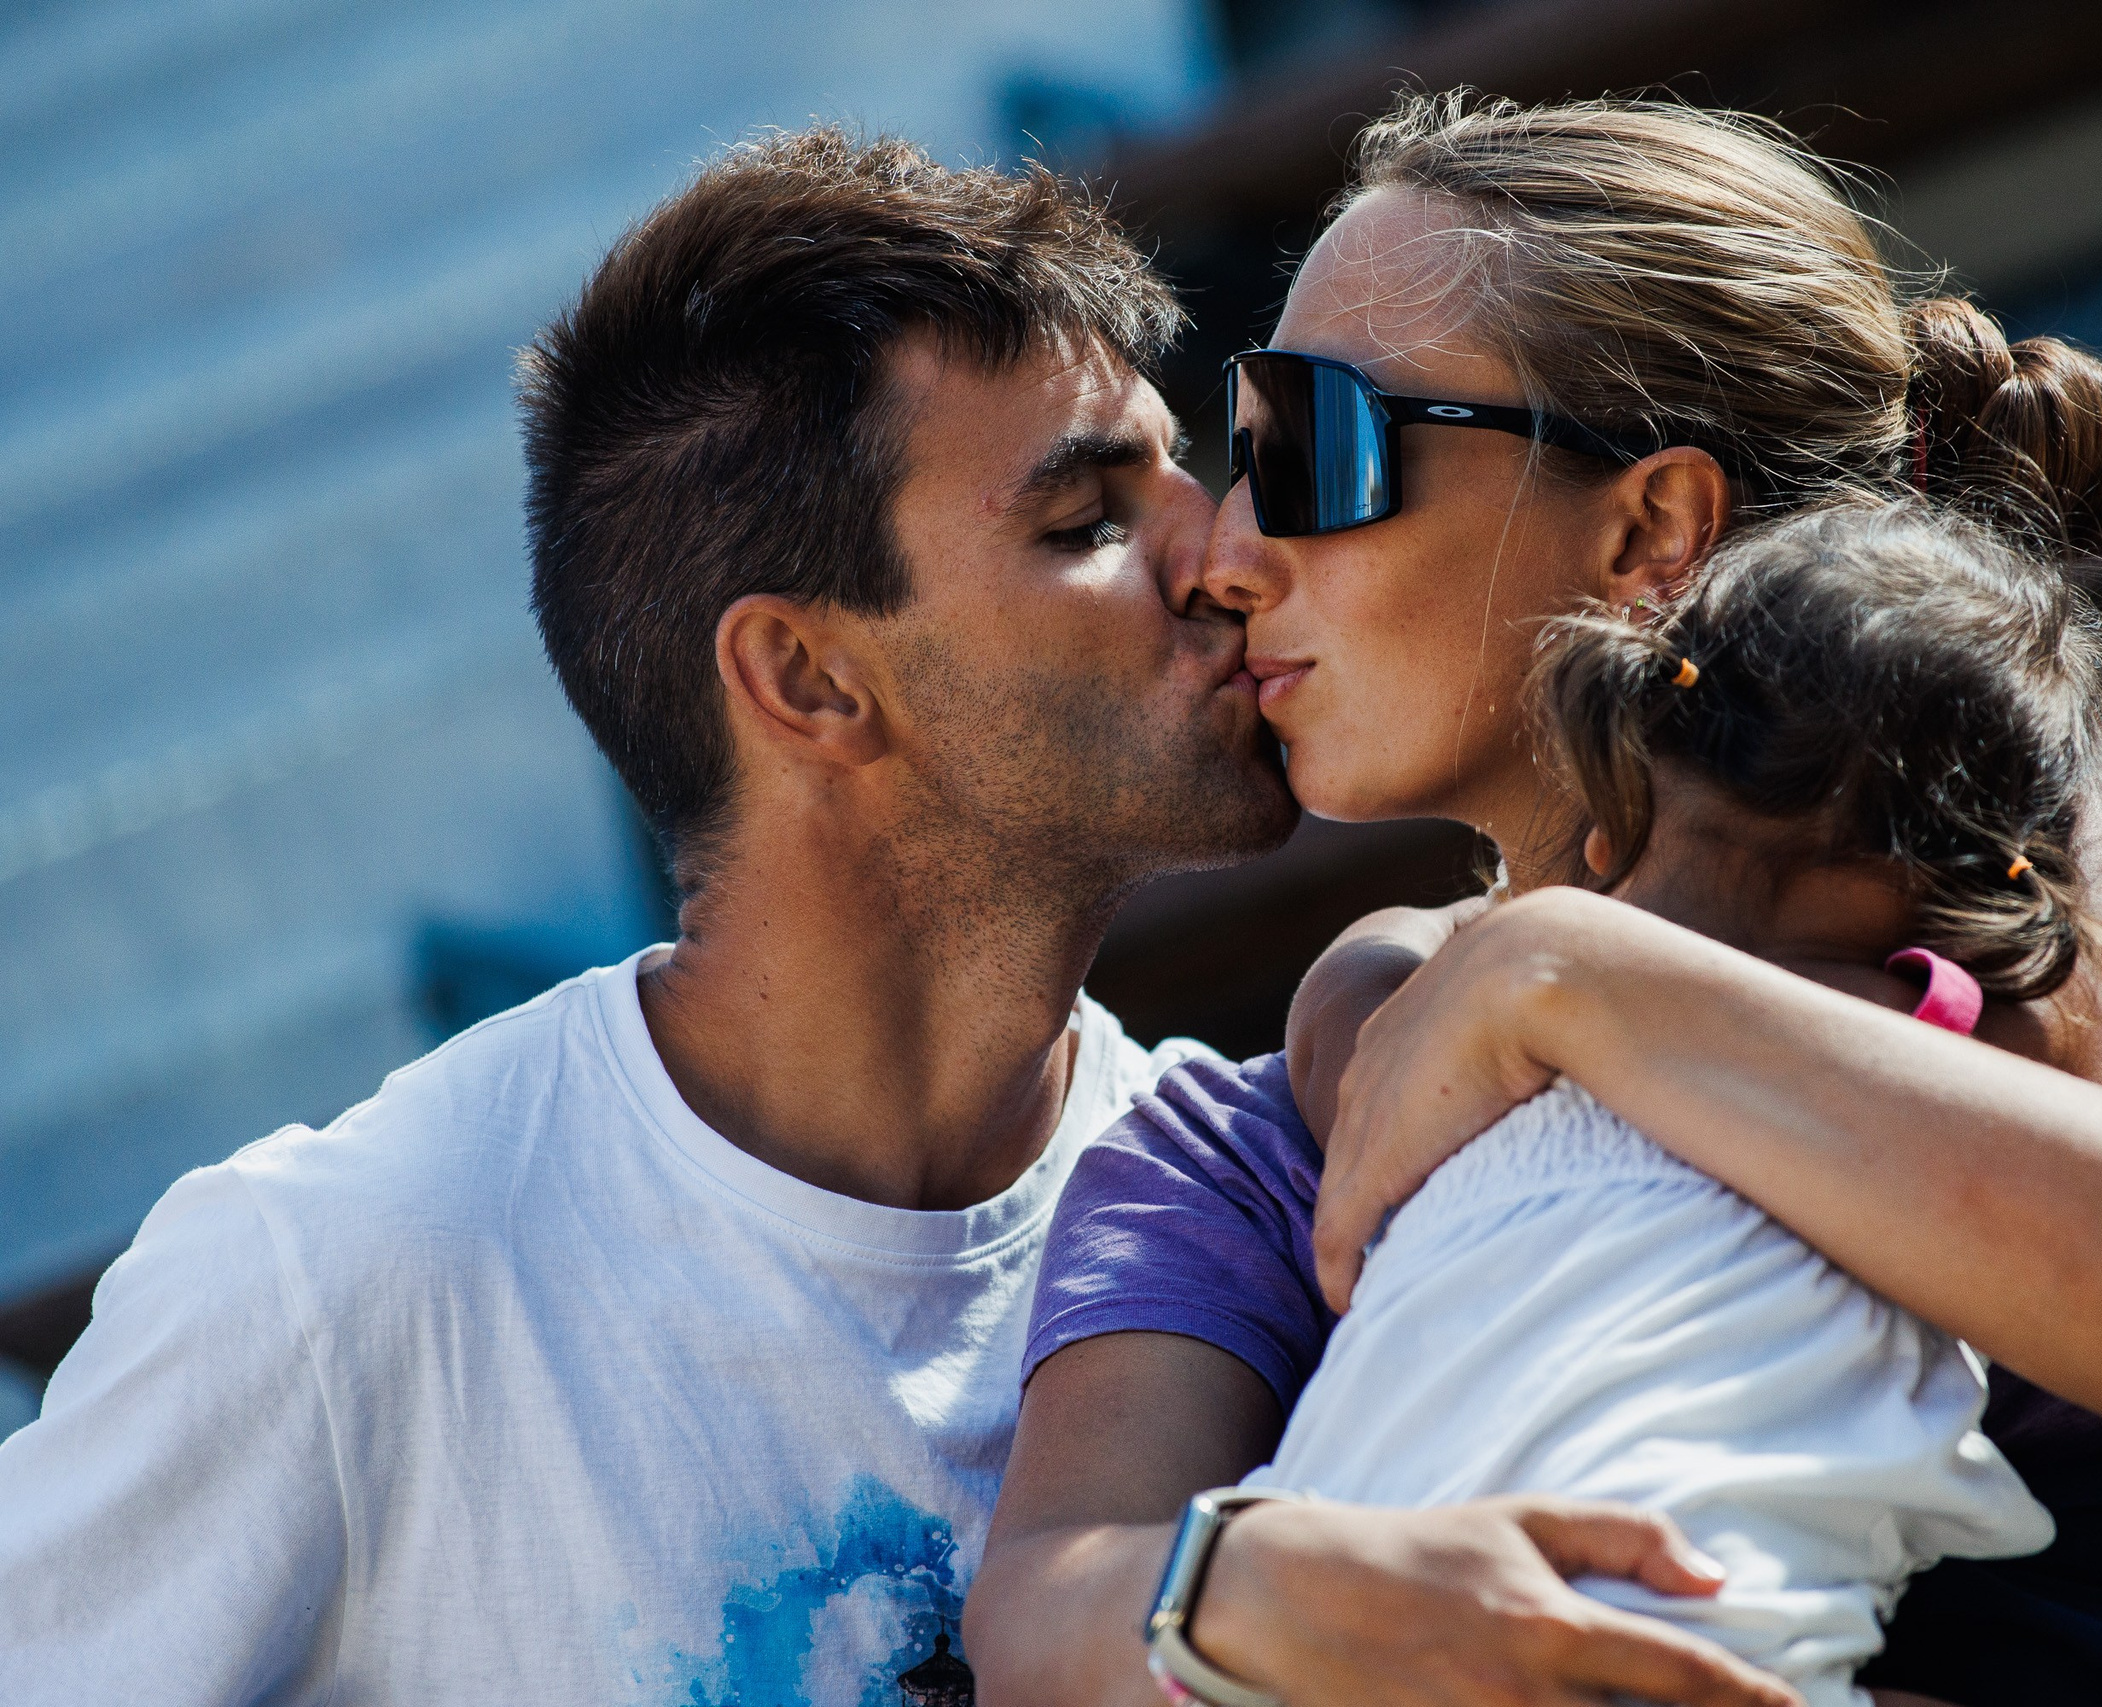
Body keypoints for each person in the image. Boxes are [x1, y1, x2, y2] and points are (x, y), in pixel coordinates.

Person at [968, 94, 2102, 1707]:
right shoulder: (1249, 1139)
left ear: (1650, 524)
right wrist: (1265, 1586)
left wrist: (1568, 973)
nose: (1224, 550)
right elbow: (1050, 1613)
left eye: (1306, 445)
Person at [0, 127, 1314, 1704]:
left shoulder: (1232, 1208)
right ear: (811, 680)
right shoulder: (351, 1275)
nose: (1230, 551)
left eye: (1186, 475)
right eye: (1088, 519)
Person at [1251, 501, 2102, 1705]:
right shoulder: (1924, 1044)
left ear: (1614, 785)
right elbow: (2072, 1010)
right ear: (1975, 891)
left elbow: (1341, 1023)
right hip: (1662, 1649)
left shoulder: (1444, 1063)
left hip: (1320, 1635)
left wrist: (1470, 942)